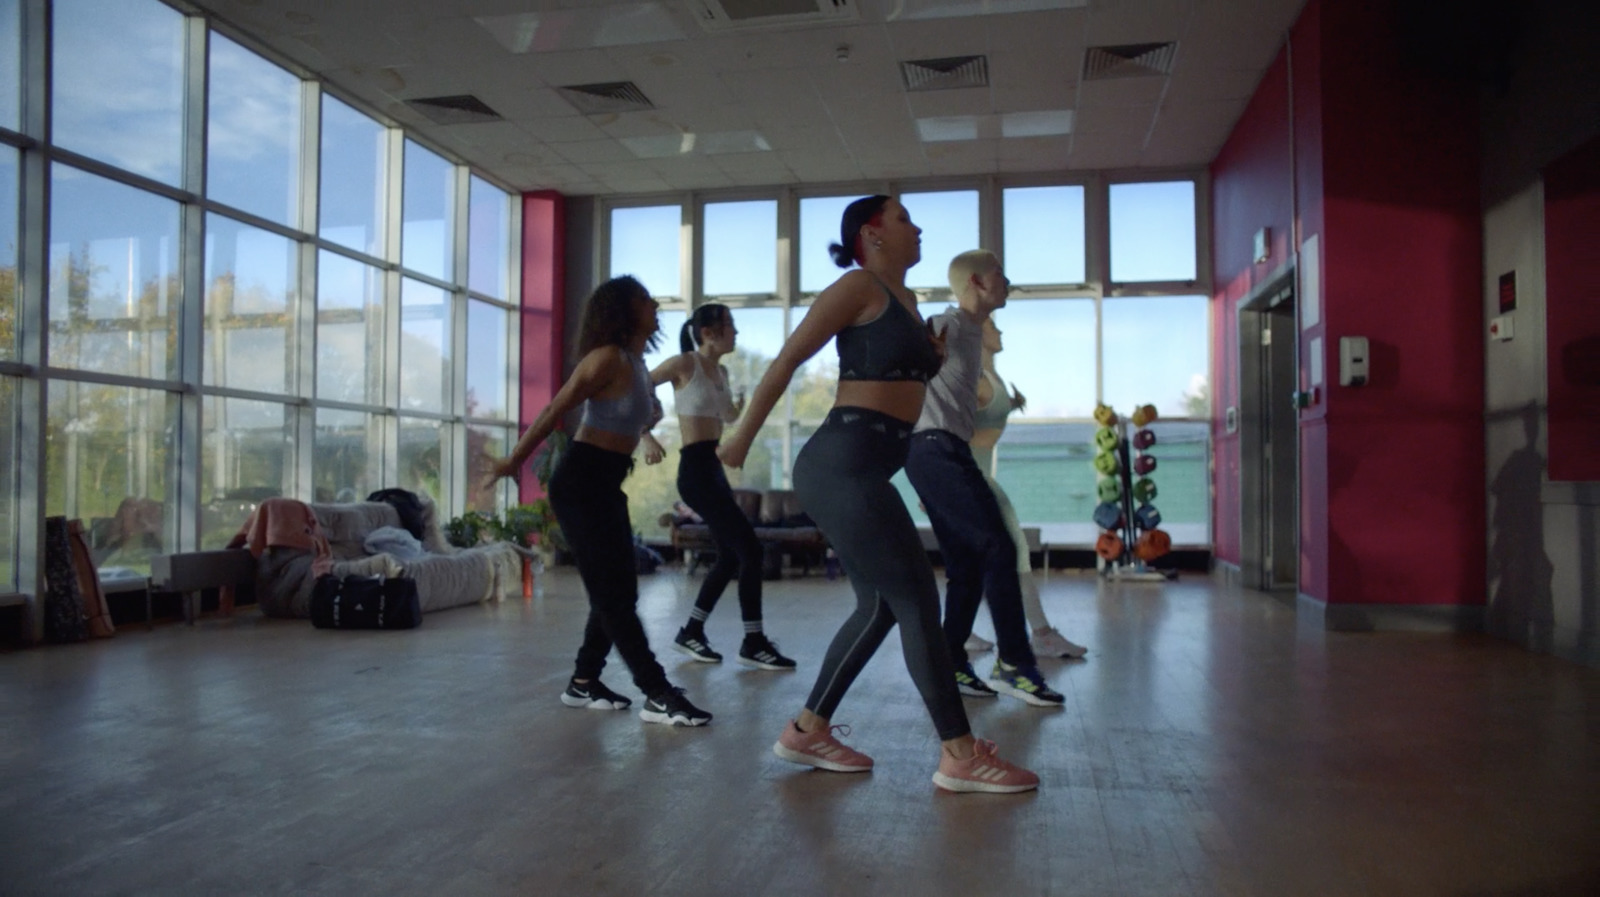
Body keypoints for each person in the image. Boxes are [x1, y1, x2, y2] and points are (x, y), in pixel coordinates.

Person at [718, 195, 1038, 793]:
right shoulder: (856, 287)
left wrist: (932, 355)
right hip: (843, 465)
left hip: (867, 467)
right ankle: (960, 753)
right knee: (916, 597)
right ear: (873, 234)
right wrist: (740, 438)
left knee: (881, 606)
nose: (916, 228)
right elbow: (788, 360)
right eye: (903, 218)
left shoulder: (909, 303)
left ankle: (807, 730)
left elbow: (899, 373)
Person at [482, 275, 712, 727]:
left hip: (607, 482)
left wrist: (646, 427)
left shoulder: (637, 362)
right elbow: (554, 410)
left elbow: (633, 416)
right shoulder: (605, 358)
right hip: (580, 481)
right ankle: (656, 691)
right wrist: (514, 461)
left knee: (619, 591)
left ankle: (584, 681)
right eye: (646, 299)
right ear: (624, 309)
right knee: (615, 598)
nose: (655, 304)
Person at [901, 251, 1066, 713]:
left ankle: (951, 662)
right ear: (975, 281)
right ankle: (1014, 662)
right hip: (932, 448)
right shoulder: (944, 324)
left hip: (947, 450)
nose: (1008, 281)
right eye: (999, 274)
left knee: (968, 565)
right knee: (998, 545)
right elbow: (901, 372)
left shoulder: (973, 333)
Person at [639, 304, 796, 671]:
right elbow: (636, 387)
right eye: (731, 326)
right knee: (751, 551)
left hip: (714, 469)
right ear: (708, 332)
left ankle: (692, 631)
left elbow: (727, 417)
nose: (737, 333)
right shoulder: (683, 364)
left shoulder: (721, 371)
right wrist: (645, 433)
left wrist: (740, 403)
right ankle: (753, 641)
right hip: (694, 469)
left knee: (730, 555)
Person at [970, 313, 1088, 660]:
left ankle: (957, 632)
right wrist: (939, 483)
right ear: (977, 335)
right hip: (970, 481)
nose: (1000, 329)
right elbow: (948, 428)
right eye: (992, 325)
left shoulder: (992, 377)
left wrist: (1011, 403)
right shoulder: (974, 380)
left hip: (977, 479)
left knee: (973, 561)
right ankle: (1041, 634)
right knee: (1013, 551)